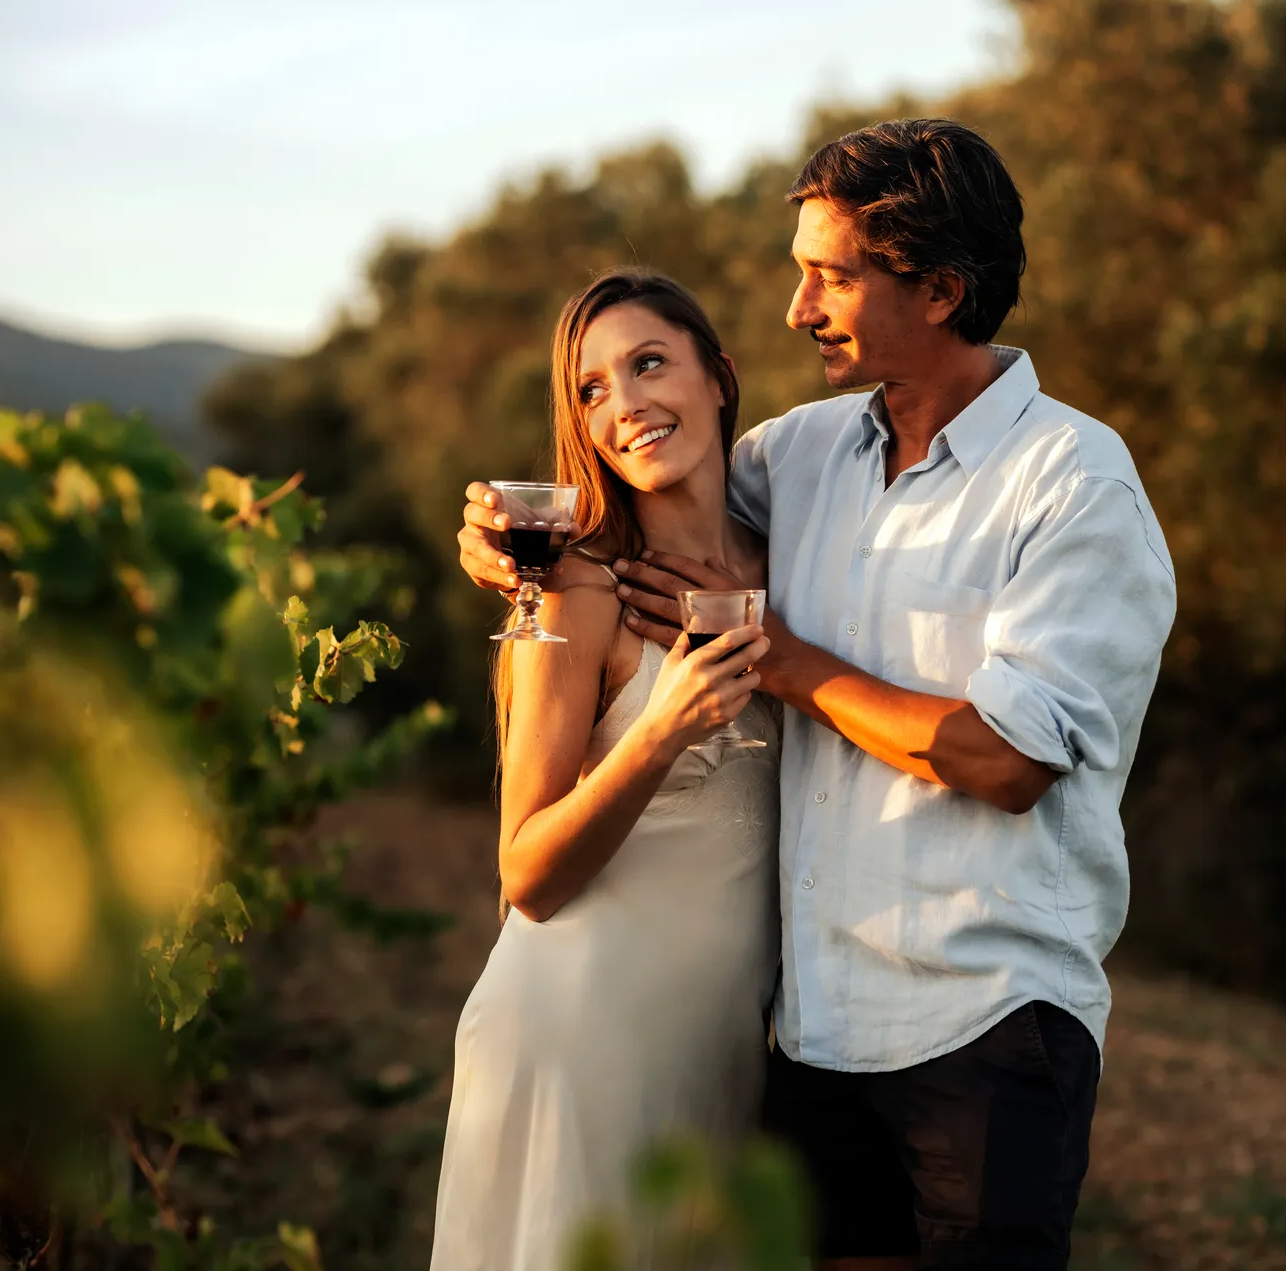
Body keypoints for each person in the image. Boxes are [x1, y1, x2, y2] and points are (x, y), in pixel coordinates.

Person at [459, 118, 1176, 1269]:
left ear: (940, 288)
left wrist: (787, 661)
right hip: (812, 1042)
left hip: (981, 1028)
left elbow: (1005, 761)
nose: (798, 308)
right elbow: (646, 480)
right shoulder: (801, 456)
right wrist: (506, 545)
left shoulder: (1072, 481)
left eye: (830, 275)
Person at [429, 270, 782, 1271]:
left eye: (648, 362)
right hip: (580, 1039)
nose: (623, 403)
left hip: (717, 1049)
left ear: (720, 376)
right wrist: (660, 728)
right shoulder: (574, 592)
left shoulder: (793, 558)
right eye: (590, 389)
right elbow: (526, 872)